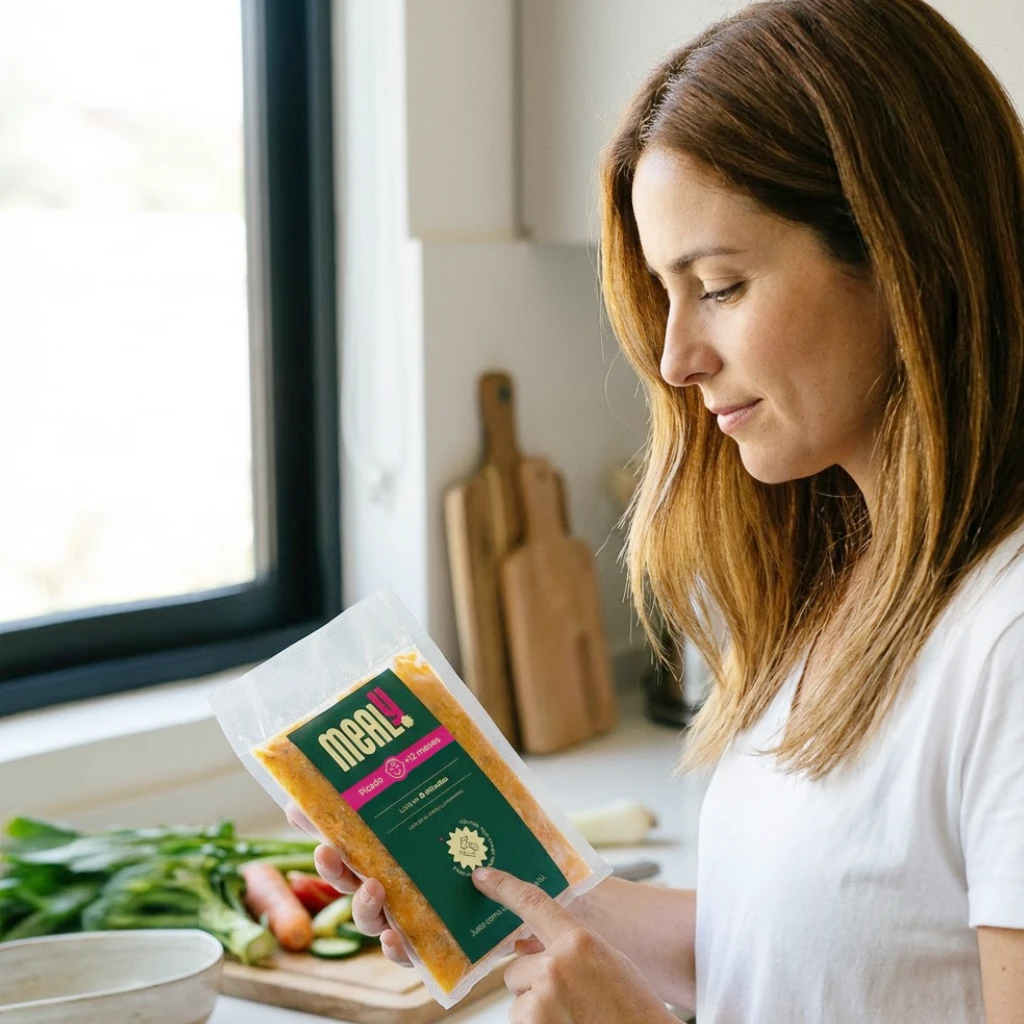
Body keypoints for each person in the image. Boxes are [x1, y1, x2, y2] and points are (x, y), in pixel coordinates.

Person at [298, 0, 1024, 1019]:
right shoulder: (850, 573)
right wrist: (538, 906)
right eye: (664, 293)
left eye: (719, 285)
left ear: (905, 256)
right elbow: (820, 945)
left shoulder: (1006, 639)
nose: (677, 357)